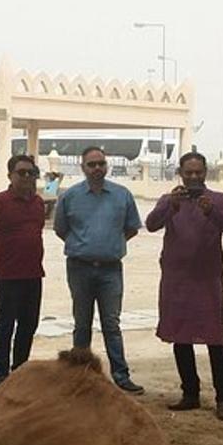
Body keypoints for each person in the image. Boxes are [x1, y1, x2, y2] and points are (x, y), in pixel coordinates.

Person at [145, 151, 223, 421]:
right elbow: (151, 225)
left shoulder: (219, 200)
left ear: (206, 172)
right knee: (180, 336)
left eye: (198, 172)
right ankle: (190, 393)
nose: (194, 177)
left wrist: (212, 212)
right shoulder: (169, 200)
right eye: (189, 172)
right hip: (176, 281)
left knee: (215, 339)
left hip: (207, 282)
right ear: (181, 173)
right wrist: (170, 207)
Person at [53, 146, 144, 394]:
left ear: (107, 166)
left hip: (110, 270)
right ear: (82, 168)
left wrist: (109, 245)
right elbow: (61, 229)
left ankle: (121, 376)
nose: (97, 168)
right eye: (91, 164)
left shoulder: (122, 195)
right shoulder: (69, 197)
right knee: (81, 324)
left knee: (111, 325)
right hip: (79, 269)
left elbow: (132, 228)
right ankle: (80, 376)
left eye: (101, 164)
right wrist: (85, 245)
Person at [0, 154, 45, 386]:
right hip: (8, 276)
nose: (27, 177)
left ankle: (20, 370)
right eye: (22, 172)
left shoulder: (38, 203)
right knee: (6, 324)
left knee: (29, 324)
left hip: (34, 274)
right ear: (10, 175)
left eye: (31, 172)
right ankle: (0, 373)